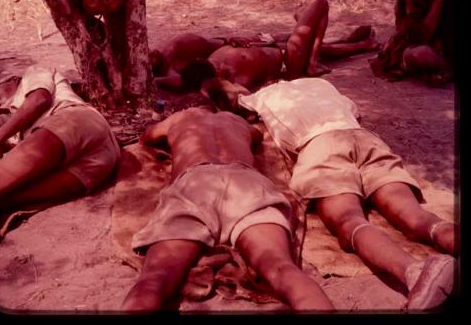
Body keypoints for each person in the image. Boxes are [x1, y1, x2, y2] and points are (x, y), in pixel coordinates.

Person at [202, 77, 458, 310]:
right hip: (365, 138)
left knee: (350, 223)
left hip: (320, 146)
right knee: (414, 216)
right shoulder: (321, 84)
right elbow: (355, 114)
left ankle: (414, 272)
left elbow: (230, 101)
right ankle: (444, 237)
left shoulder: (261, 97)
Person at [120, 106, 334, 311]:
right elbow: (257, 137)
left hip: (195, 181)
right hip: (246, 182)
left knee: (155, 279)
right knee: (282, 268)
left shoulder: (181, 118)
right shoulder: (235, 121)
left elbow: (147, 137)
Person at [0, 65, 120, 240]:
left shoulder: (32, 74)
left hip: (75, 121)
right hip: (100, 162)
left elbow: (39, 100)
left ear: (13, 80)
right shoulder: (14, 117)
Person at [180, 0, 380, 92]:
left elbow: (170, 78)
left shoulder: (210, 59)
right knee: (320, 4)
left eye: (215, 65)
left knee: (315, 38)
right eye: (217, 70)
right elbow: (255, 93)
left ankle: (362, 46)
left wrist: (234, 39)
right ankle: (311, 63)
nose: (219, 66)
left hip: (270, 43)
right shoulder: (234, 82)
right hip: (288, 59)